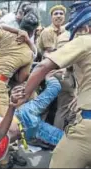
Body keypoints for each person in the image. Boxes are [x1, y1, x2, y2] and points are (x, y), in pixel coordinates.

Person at [20, 1, 91, 168]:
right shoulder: (47, 32)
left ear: (85, 28)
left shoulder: (84, 40)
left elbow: (44, 65)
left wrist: (23, 97)